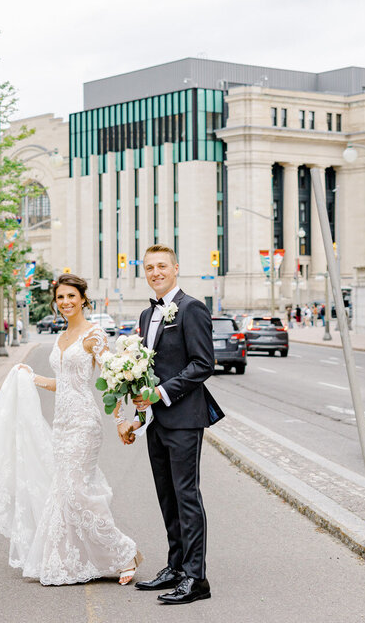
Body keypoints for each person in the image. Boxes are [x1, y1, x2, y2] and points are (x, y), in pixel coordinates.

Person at [0, 273, 142, 586]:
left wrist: (120, 420)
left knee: (77, 491)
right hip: (62, 425)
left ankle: (124, 553)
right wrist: (31, 377)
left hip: (84, 424)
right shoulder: (62, 337)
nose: (65, 303)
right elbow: (61, 384)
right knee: (64, 492)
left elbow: (113, 382)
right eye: (60, 298)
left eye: (71, 297)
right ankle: (69, 560)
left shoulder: (93, 335)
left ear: (83, 300)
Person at [127, 244, 223, 605]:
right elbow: (143, 372)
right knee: (167, 496)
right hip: (156, 420)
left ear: (176, 268)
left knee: (186, 495)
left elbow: (202, 364)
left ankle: (197, 578)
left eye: (162, 266)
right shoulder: (144, 315)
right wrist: (139, 411)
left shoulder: (192, 308)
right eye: (150, 267)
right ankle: (176, 567)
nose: (156, 272)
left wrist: (161, 394)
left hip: (183, 418)